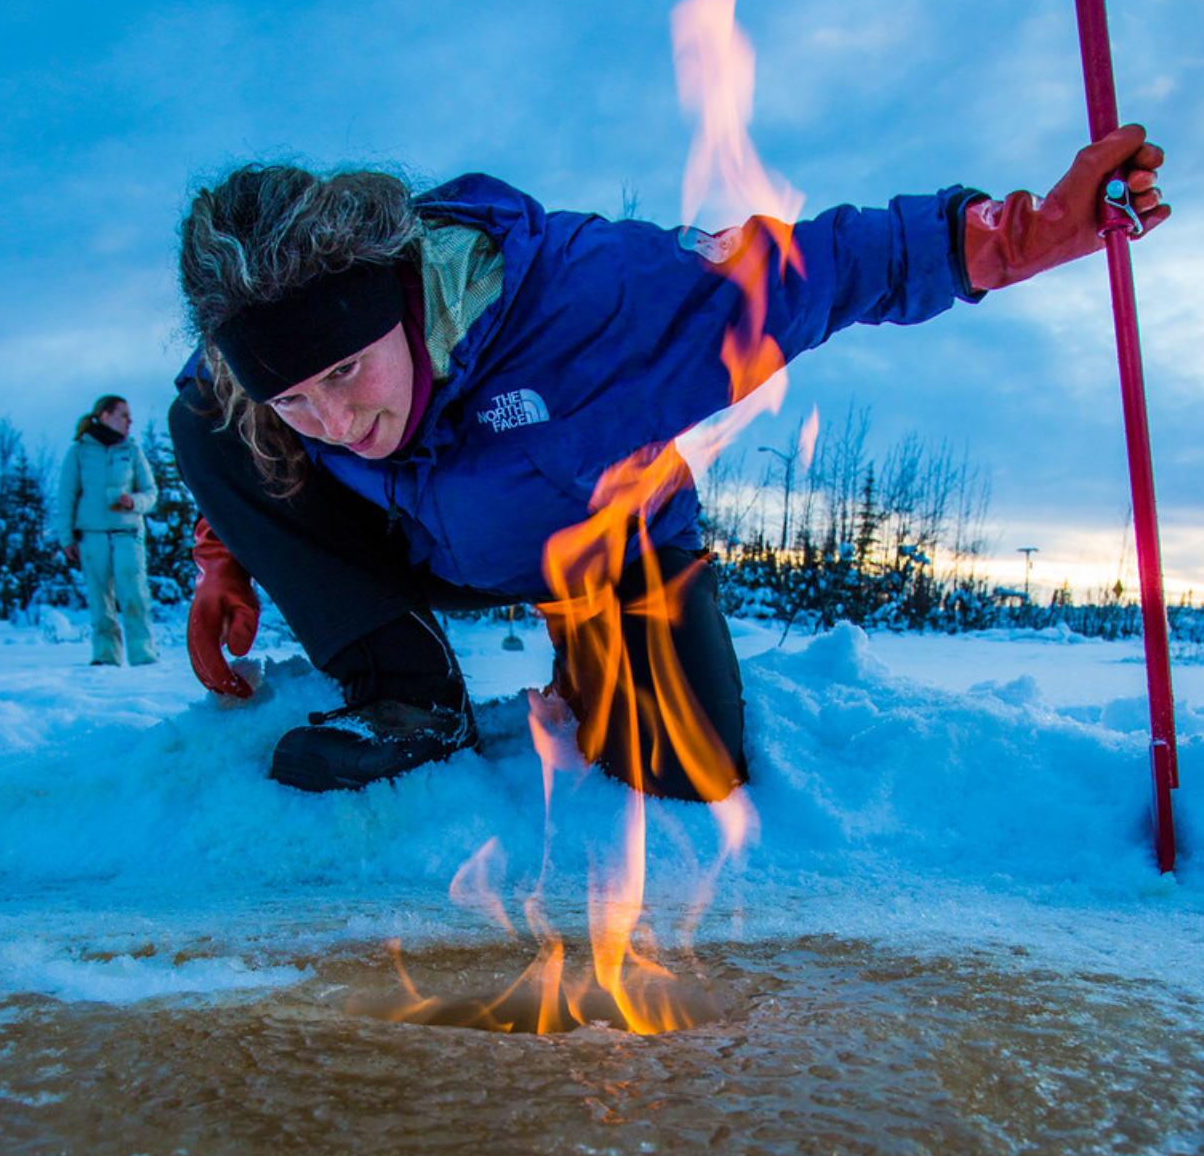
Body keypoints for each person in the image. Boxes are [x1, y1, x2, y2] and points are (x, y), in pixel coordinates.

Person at [169, 125, 1167, 800]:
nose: (335, 420)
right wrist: (228, 563)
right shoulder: (252, 380)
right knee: (202, 422)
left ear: (394, 293)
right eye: (294, 398)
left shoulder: (598, 306)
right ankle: (408, 695)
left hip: (609, 548)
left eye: (347, 370)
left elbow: (824, 266)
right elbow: (244, 439)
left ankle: (602, 651)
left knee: (681, 776)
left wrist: (1021, 236)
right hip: (420, 544)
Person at [56, 395, 159, 666]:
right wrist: (66, 538)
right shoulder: (79, 451)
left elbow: (151, 493)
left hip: (127, 532)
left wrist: (134, 501)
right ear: (105, 416)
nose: (129, 421)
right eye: (123, 414)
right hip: (91, 535)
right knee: (100, 597)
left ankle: (144, 656)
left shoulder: (133, 451)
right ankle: (105, 656)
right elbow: (66, 496)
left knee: (134, 593)